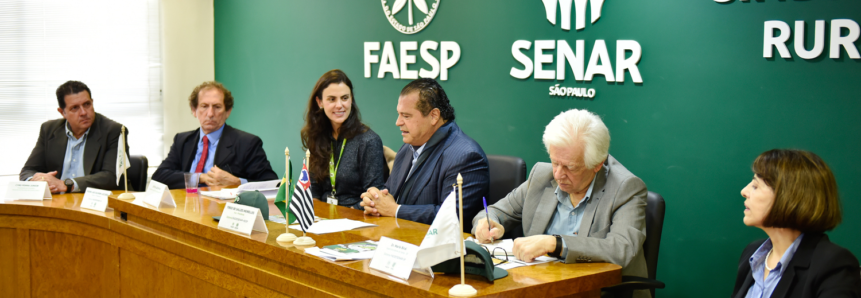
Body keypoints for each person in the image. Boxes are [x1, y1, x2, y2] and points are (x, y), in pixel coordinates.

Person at [472, 109, 651, 298]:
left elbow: (621, 249)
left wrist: (556, 244)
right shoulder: (542, 175)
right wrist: (486, 222)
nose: (558, 174)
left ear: (597, 164)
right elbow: (495, 211)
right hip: (540, 288)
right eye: (555, 162)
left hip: (598, 292)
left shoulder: (626, 188)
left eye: (570, 167)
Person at [361, 78, 489, 231]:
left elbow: (451, 216)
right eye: (399, 114)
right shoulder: (407, 147)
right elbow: (390, 194)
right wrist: (375, 200)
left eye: (406, 116)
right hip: (399, 240)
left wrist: (394, 210)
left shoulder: (467, 156)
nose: (398, 122)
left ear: (434, 116)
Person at [732, 149, 861, 298]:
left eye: (755, 186)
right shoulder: (753, 254)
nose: (744, 191)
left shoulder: (833, 265)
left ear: (788, 196)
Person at [152, 81, 277, 189]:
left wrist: (238, 182)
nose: (210, 113)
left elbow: (271, 183)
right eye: (204, 106)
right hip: (185, 207)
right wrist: (200, 177)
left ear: (228, 112)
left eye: (217, 107)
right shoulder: (183, 140)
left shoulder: (246, 143)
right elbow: (159, 176)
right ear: (194, 110)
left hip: (222, 211)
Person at [20, 80, 129, 193]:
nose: (83, 112)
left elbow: (112, 176)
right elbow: (28, 170)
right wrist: (36, 181)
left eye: (87, 104)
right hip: (57, 201)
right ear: (62, 112)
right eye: (75, 108)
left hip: (93, 201)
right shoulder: (49, 130)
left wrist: (67, 184)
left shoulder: (114, 131)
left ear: (92, 102)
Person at [301, 70, 388, 209]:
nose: (339, 105)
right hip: (323, 218)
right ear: (320, 102)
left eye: (345, 98)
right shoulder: (318, 135)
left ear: (351, 99)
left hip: (357, 218)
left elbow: (374, 198)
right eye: (332, 99)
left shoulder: (368, 141)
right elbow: (313, 191)